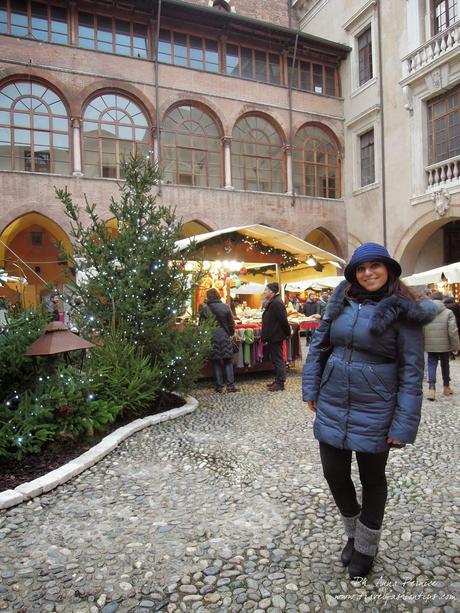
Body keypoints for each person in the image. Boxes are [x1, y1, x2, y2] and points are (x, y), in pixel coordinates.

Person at [302, 243, 436, 580]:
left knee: (372, 479)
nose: (368, 273)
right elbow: (320, 343)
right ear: (354, 274)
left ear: (389, 270)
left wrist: (403, 425)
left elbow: (410, 372)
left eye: (375, 266)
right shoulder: (342, 298)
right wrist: (311, 387)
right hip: (333, 399)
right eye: (361, 268)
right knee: (334, 473)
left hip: (378, 407)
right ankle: (354, 532)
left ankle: (366, 546)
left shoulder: (404, 311)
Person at [200, 288, 239, 393]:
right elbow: (231, 324)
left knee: (216, 361)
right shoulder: (225, 307)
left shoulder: (205, 309)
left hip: (212, 337)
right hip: (224, 336)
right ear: (218, 295)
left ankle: (219, 386)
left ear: (208, 297)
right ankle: (231, 386)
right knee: (228, 361)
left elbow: (201, 326)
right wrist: (230, 334)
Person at [424, 291, 460, 400]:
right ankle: (446, 387)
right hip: (444, 345)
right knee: (445, 364)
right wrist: (456, 346)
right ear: (442, 300)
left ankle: (431, 389)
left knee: (431, 364)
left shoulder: (426, 312)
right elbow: (452, 331)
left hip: (430, 344)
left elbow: (421, 328)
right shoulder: (448, 312)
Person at [261, 282, 291, 392]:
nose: (264, 292)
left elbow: (283, 320)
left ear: (272, 292)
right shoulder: (273, 302)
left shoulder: (277, 303)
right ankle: (278, 379)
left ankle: (280, 382)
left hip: (276, 336)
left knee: (278, 359)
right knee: (275, 358)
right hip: (272, 335)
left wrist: (287, 333)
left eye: (266, 290)